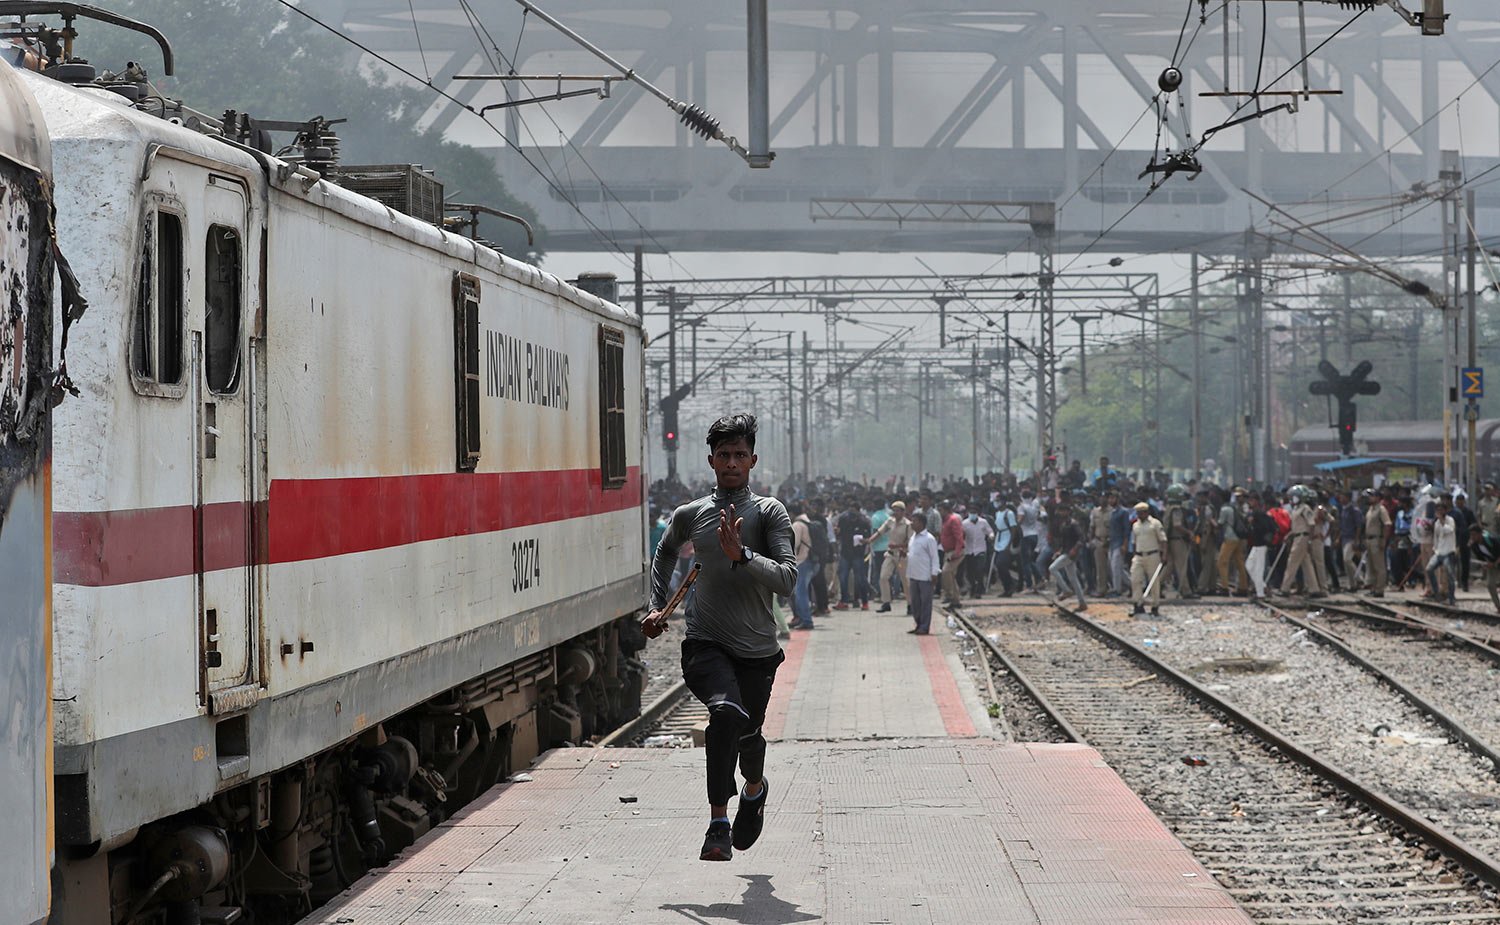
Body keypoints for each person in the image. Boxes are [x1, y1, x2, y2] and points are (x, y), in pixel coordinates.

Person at [643, 414, 796, 862]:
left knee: (748, 736)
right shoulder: (691, 514)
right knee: (723, 712)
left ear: (753, 460)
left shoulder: (769, 513)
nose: (732, 462)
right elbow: (665, 550)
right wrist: (657, 604)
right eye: (724, 455)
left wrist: (743, 555)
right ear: (711, 460)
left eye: (739, 455)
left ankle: (754, 788)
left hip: (758, 651)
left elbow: (787, 579)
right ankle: (717, 822)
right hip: (705, 641)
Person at [1279, 486, 1324, 597]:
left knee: (1292, 562)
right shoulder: (1296, 509)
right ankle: (1314, 589)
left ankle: (1285, 588)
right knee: (1306, 564)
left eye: (1293, 497)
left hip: (1302, 538)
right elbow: (1297, 526)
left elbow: (1311, 524)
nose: (1291, 499)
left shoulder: (1305, 509)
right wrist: (1289, 535)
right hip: (1297, 536)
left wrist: (1309, 540)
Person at [868, 500, 912, 612]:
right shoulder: (890, 521)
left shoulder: (908, 525)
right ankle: (886, 602)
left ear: (903, 512)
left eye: (898, 511)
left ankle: (910, 604)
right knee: (883, 577)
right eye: (894, 511)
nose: (895, 513)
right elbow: (879, 532)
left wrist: (898, 545)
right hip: (890, 554)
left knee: (905, 581)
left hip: (901, 555)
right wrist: (869, 541)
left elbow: (911, 542)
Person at [1048, 499, 1088, 610]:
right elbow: (1064, 541)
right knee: (1073, 578)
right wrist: (1059, 551)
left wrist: (1074, 549)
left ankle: (1066, 590)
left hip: (1071, 553)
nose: (1060, 513)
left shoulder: (1074, 524)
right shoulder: (1064, 524)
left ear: (1067, 512)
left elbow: (1082, 538)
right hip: (1066, 551)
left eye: (1062, 511)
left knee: (1052, 568)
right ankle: (1082, 603)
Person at [905, 513, 941, 634]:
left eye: (914, 521)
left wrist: (934, 573)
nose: (911, 523)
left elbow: (934, 557)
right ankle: (918, 624)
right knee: (915, 602)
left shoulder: (929, 538)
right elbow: (914, 554)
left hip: (925, 575)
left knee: (925, 602)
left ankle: (925, 627)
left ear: (921, 523)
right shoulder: (913, 537)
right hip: (913, 574)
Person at [1130, 502, 1167, 616]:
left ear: (1147, 512)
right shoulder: (1135, 525)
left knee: (1154, 582)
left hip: (1153, 555)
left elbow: (1163, 540)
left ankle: (1155, 606)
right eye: (1138, 513)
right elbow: (1134, 541)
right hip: (1139, 555)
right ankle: (1138, 604)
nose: (1139, 515)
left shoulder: (1155, 523)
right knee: (1135, 580)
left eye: (1141, 513)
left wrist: (1164, 554)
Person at [834, 496, 871, 611]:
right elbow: (839, 534)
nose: (851, 513)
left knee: (860, 579)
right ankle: (844, 600)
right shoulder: (843, 519)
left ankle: (864, 602)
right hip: (845, 552)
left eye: (854, 511)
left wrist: (864, 542)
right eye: (850, 510)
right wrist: (837, 532)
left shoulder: (864, 521)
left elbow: (868, 537)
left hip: (858, 554)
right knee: (843, 577)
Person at [1216, 489, 1250, 596]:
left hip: (1229, 538)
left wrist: (1213, 522)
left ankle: (1224, 587)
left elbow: (1220, 523)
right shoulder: (1234, 507)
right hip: (1238, 538)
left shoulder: (1225, 509)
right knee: (1239, 562)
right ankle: (1243, 587)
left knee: (1222, 562)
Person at [788, 502, 816, 630]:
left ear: (792, 513)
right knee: (802, 592)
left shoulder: (797, 524)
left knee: (801, 593)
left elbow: (794, 544)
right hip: (812, 560)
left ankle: (806, 621)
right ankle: (803, 618)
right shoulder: (808, 521)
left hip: (802, 561)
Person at [1244, 494, 1276, 600]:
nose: (1250, 502)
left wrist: (1253, 522)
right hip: (1256, 544)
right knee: (1249, 565)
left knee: (1258, 569)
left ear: (1257, 501)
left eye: (1252, 500)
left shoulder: (1259, 513)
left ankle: (1260, 594)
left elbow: (1264, 527)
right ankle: (1263, 587)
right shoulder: (1256, 513)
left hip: (1261, 544)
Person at [1426, 498, 1458, 605]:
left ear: (1445, 511)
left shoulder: (1450, 520)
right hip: (1439, 552)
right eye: (1437, 510)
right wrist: (1435, 548)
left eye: (1441, 510)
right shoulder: (1437, 523)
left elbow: (1449, 530)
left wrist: (1442, 520)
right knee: (1429, 569)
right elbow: (1437, 537)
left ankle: (1451, 597)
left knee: (1450, 575)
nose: (1439, 512)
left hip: (1449, 552)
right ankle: (1437, 593)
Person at [1362, 488, 1392, 597]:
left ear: (1378, 497)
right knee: (1371, 566)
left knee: (1379, 566)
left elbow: (1387, 524)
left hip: (1377, 539)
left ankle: (1380, 589)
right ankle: (1374, 588)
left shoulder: (1381, 509)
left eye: (1371, 496)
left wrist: (1383, 539)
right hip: (1369, 539)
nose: (1369, 498)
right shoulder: (1370, 509)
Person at [937, 500, 965, 609]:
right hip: (948, 551)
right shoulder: (944, 520)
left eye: (940, 510)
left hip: (955, 551)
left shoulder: (953, 520)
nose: (939, 512)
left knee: (946, 571)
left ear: (946, 510)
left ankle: (949, 594)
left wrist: (956, 553)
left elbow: (959, 537)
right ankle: (955, 601)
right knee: (951, 576)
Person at [961, 508, 995, 597]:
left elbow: (990, 531)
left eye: (974, 513)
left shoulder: (983, 522)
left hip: (980, 549)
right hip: (969, 550)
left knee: (979, 570)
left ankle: (979, 590)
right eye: (971, 512)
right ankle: (973, 587)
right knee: (970, 572)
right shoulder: (964, 523)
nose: (972, 514)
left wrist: (991, 536)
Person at [1469, 524, 1500, 611]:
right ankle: (1498, 606)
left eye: (1474, 534)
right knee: (1490, 584)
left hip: (1496, 561)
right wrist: (1485, 565)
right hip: (1492, 563)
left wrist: (1494, 564)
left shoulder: (1491, 540)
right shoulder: (1474, 546)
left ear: (1480, 534)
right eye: (1471, 535)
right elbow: (1482, 559)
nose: (1472, 537)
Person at [1089, 493, 1114, 596]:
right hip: (1098, 541)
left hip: (1110, 542)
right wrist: (1091, 540)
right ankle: (1101, 589)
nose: (1102, 500)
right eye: (1101, 498)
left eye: (1104, 498)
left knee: (1113, 567)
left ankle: (1122, 586)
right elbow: (1092, 527)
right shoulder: (1095, 512)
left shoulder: (1112, 512)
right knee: (1100, 568)